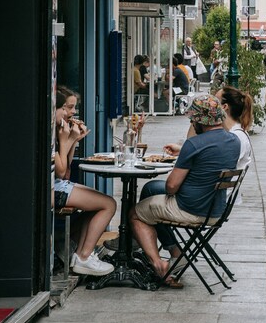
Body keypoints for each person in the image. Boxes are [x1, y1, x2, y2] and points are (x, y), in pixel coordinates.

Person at [132, 95, 241, 279]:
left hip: (190, 209)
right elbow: (209, 156)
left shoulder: (193, 143)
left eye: (193, 118)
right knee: (150, 189)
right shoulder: (233, 141)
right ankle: (172, 251)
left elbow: (171, 187)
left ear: (200, 120)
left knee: (135, 213)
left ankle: (159, 265)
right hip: (216, 210)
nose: (191, 121)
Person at [52, 86, 116, 276]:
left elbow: (66, 169)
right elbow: (62, 172)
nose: (71, 113)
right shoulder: (50, 133)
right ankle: (84, 256)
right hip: (52, 189)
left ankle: (72, 250)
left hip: (58, 185)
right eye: (67, 107)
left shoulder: (59, 130)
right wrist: (66, 141)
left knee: (101, 204)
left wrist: (73, 139)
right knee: (109, 205)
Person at [216, 86, 254, 171]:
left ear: (224, 107)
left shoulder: (237, 137)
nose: (209, 104)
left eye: (214, 101)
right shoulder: (231, 133)